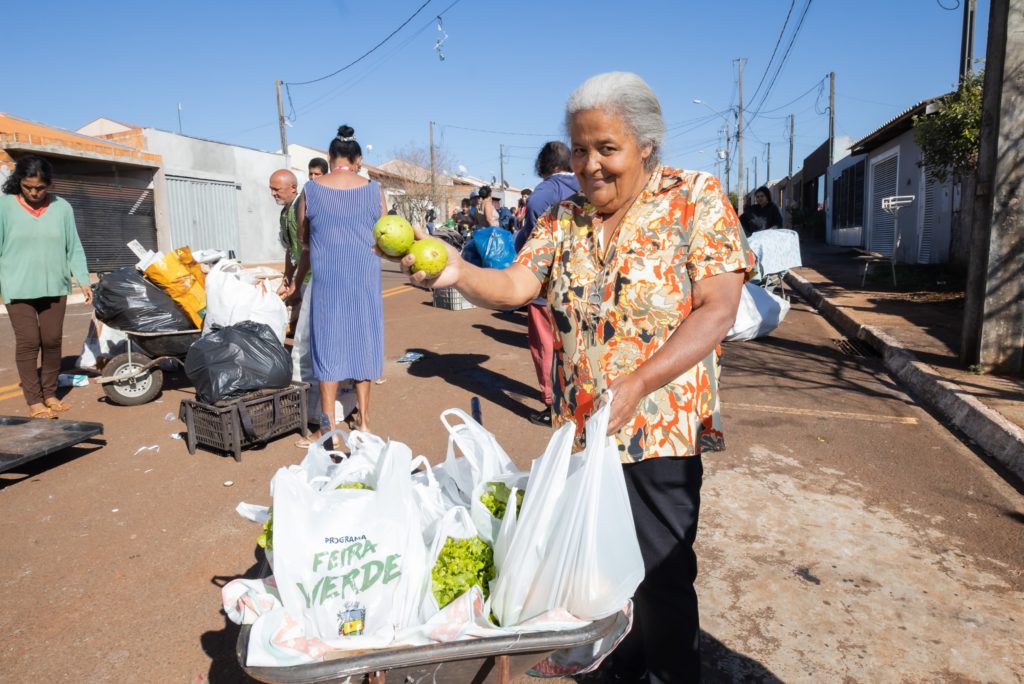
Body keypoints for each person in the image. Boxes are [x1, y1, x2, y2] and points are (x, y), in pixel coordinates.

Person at [395, 72, 753, 683]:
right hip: (585, 427)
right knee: (599, 569)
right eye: (580, 149)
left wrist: (637, 383)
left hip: (659, 427)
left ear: (646, 144)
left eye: (605, 149)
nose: (590, 165)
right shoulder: (563, 218)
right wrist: (456, 272)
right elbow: (516, 285)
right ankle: (621, 666)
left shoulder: (693, 197)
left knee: (662, 572)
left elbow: (716, 308)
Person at [289, 125, 386, 440]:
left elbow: (303, 238)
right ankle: (366, 419)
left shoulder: (312, 190)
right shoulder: (374, 190)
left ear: (330, 158)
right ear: (358, 159)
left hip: (328, 279)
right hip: (364, 279)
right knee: (364, 342)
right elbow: (386, 240)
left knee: (327, 344)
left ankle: (327, 422)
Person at [0, 155, 93, 419]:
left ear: (48, 185)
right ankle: (34, 401)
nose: (33, 192)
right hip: (17, 287)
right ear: (19, 182)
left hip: (55, 285)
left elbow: (73, 246)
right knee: (29, 342)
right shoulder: (4, 206)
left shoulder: (62, 207)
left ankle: (50, 393)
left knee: (51, 341)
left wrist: (83, 280)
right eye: (27, 187)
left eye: (39, 187)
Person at [515, 141, 580, 427]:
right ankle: (579, 402)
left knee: (544, 345)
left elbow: (531, 233)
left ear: (545, 165)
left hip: (547, 284)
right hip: (582, 282)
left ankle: (552, 405)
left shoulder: (545, 192)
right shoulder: (589, 185)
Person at [270, 169, 305, 337]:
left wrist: (296, 284)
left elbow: (310, 249)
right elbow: (291, 249)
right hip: (303, 278)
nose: (273, 194)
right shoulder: (285, 213)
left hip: (314, 278)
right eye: (271, 189)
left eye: (277, 189)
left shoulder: (302, 207)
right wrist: (286, 280)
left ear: (293, 187)